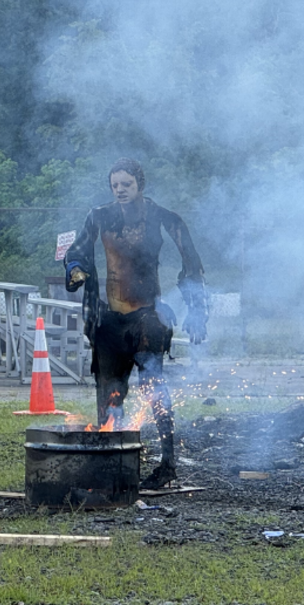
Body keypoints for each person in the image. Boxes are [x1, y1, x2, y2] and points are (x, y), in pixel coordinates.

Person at [64, 157, 209, 488]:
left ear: (140, 185)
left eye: (126, 185)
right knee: (109, 391)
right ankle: (110, 465)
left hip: (147, 316)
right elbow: (78, 252)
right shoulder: (99, 216)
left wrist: (197, 309)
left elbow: (192, 262)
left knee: (154, 388)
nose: (120, 191)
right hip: (110, 320)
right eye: (115, 185)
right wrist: (75, 269)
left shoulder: (163, 217)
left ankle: (168, 465)